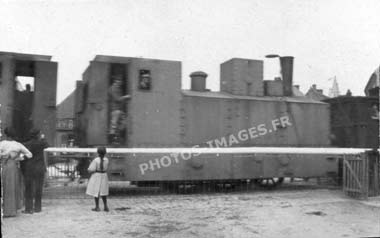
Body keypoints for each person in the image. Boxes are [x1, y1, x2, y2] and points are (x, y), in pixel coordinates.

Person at [0, 127, 32, 217]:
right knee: (12, 186)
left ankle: (4, 209)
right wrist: (19, 158)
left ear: (6, 134)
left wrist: (3, 155)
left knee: (4, 187)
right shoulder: (18, 144)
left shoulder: (2, 144)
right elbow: (29, 154)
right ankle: (11, 210)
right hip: (13, 166)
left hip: (3, 165)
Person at [22, 129, 49, 213]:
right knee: (38, 188)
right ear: (38, 135)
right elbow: (47, 145)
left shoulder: (27, 144)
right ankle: (37, 208)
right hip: (40, 168)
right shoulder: (42, 143)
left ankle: (28, 208)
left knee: (28, 188)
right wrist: (43, 138)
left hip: (30, 167)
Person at [86, 146, 109, 212]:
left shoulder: (96, 160)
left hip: (97, 176)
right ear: (105, 153)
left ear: (97, 152)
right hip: (104, 175)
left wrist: (89, 169)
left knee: (96, 191)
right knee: (104, 191)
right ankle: (105, 206)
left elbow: (91, 169)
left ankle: (97, 207)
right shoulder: (107, 160)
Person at [108, 77, 130, 143]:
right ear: (115, 81)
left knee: (123, 123)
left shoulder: (117, 88)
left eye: (120, 81)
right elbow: (117, 99)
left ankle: (116, 139)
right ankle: (112, 141)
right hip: (115, 110)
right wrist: (126, 97)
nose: (120, 82)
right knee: (114, 126)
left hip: (119, 109)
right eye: (118, 80)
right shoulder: (113, 88)